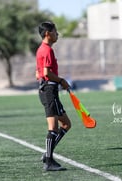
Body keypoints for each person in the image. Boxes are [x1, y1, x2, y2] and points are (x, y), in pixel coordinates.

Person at [36, 21, 72, 171]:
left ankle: (47, 154)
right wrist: (61, 80)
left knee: (66, 124)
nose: (58, 34)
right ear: (47, 34)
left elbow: (38, 73)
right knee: (53, 129)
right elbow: (46, 73)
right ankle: (49, 161)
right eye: (55, 31)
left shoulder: (41, 50)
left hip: (49, 91)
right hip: (49, 92)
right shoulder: (47, 50)